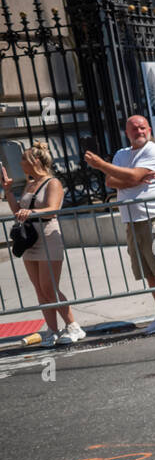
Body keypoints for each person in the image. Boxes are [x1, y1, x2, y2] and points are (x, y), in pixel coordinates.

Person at [84, 115, 155, 333]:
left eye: (142, 128)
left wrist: (105, 166)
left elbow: (133, 174)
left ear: (149, 129)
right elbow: (111, 181)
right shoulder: (121, 154)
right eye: (134, 129)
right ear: (127, 133)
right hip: (132, 218)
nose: (139, 132)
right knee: (148, 271)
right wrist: (131, 178)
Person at [1, 143, 84, 345]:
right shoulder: (30, 184)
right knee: (39, 288)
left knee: (50, 287)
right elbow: (18, 210)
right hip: (29, 238)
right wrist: (8, 190)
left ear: (35, 161)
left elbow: (52, 209)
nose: (20, 163)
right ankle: (52, 330)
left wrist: (31, 212)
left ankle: (74, 326)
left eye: (24, 159)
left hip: (47, 236)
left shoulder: (52, 182)